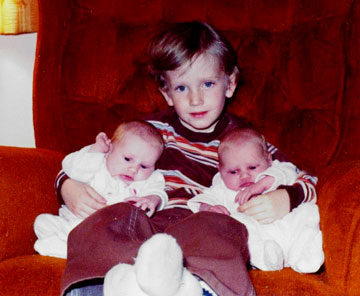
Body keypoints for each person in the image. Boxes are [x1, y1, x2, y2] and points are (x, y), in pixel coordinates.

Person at [57, 21, 317, 296]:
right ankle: (98, 288)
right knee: (112, 217)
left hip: (201, 226)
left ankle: (205, 289)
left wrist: (285, 197)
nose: (195, 99)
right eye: (182, 88)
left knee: (219, 226)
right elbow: (94, 162)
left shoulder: (245, 142)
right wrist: (67, 186)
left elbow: (306, 179)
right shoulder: (147, 133)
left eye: (207, 83)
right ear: (167, 93)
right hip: (144, 221)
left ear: (229, 84)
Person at [188, 128, 324, 273]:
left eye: (252, 167)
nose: (245, 176)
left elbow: (290, 172)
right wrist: (208, 209)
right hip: (259, 240)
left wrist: (262, 184)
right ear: (220, 170)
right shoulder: (222, 188)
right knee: (238, 224)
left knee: (308, 211)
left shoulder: (276, 170)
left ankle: (304, 256)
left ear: (269, 160)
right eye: (234, 171)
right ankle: (265, 259)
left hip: (287, 228)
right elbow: (203, 199)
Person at [34, 120, 167, 259]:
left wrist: (153, 199)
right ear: (110, 149)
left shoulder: (147, 180)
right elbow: (72, 169)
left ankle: (70, 250)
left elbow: (158, 190)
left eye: (144, 166)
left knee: (123, 242)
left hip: (107, 233)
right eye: (127, 159)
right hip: (72, 222)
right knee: (42, 222)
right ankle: (72, 250)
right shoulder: (96, 163)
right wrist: (95, 150)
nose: (134, 169)